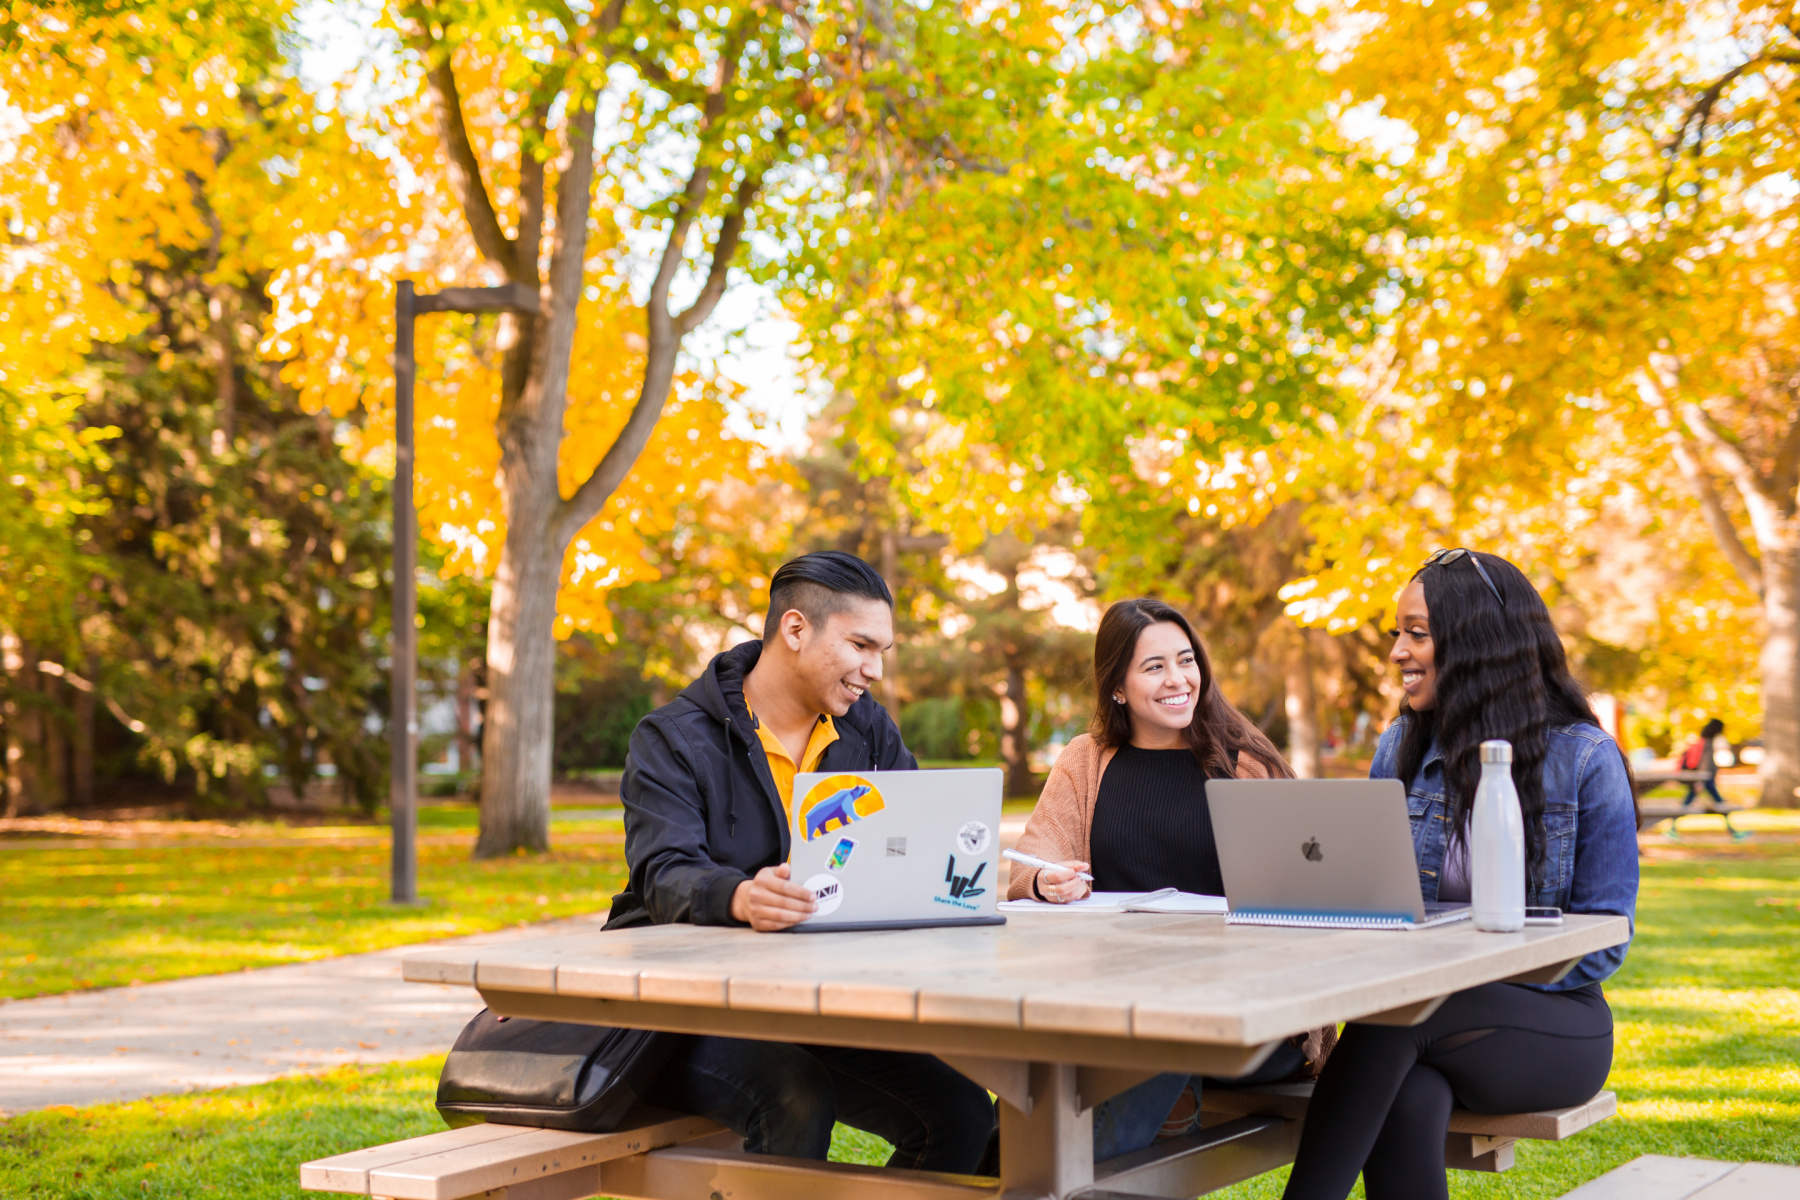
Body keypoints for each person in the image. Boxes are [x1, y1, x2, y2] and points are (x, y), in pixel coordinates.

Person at [608, 551, 994, 1172]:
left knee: (962, 1112)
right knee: (794, 1097)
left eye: (882, 652)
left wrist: (996, 874)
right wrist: (737, 896)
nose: (874, 669)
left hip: (806, 999)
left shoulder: (865, 730)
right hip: (679, 1013)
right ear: (794, 629)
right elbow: (662, 872)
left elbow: (921, 832)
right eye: (861, 645)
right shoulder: (673, 737)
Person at [1281, 549, 1639, 1200]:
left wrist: (1459, 970)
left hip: (1556, 1029)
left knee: (1405, 1011)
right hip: (1424, 1032)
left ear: (1476, 640)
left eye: (1417, 632)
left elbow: (1606, 941)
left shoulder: (1583, 759)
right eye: (1398, 633)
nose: (1397, 652)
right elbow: (1376, 901)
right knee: (1409, 1095)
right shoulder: (1402, 745)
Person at [1006, 597, 1325, 1159]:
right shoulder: (1086, 760)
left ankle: (1045, 1175)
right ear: (1118, 687)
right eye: (1154, 667)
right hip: (1114, 1004)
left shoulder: (1245, 762)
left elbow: (1308, 887)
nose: (1178, 679)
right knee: (1046, 1069)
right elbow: (1031, 867)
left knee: (1143, 1043)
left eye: (1186, 660)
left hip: (1248, 1012)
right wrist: (1048, 882)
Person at [1679, 718, 1727, 808]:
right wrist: (1700, 779)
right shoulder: (1707, 743)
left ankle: (1684, 806)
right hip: (1704, 775)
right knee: (1707, 790)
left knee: (1695, 792)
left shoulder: (1704, 740)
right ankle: (1721, 803)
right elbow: (1705, 762)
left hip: (1704, 775)